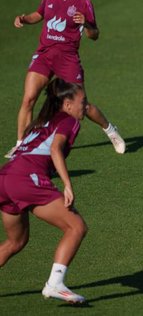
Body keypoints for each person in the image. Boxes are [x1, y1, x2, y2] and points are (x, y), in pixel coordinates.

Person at [6, 0, 125, 158]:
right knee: (28, 100)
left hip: (68, 58)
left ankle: (110, 130)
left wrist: (86, 24)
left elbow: (95, 35)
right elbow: (39, 14)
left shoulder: (83, 3)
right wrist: (25, 19)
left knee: (82, 106)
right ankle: (21, 145)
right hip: (44, 55)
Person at [0, 78, 89, 304]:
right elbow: (55, 149)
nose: (86, 107)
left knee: (15, 242)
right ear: (67, 104)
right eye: (83, 102)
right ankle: (55, 284)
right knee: (76, 227)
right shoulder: (69, 121)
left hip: (5, 178)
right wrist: (68, 184)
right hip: (25, 178)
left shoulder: (41, 122)